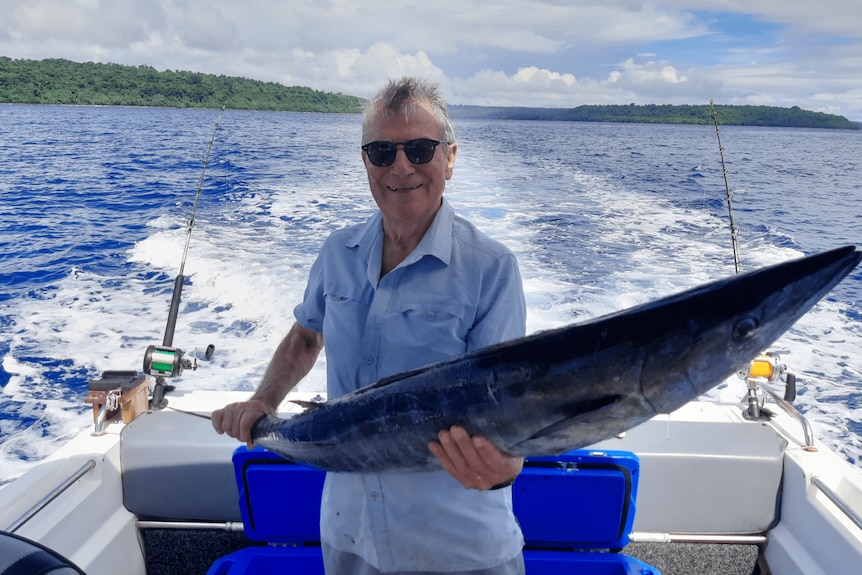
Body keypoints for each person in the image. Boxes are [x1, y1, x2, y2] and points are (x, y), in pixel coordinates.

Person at [212, 77, 527, 575]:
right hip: (350, 537)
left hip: (458, 549)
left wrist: (507, 467)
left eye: (420, 149)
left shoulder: (491, 268)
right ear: (365, 162)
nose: (401, 166)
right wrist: (264, 401)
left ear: (450, 157)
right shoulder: (338, 252)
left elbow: (507, 403)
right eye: (382, 151)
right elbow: (305, 335)